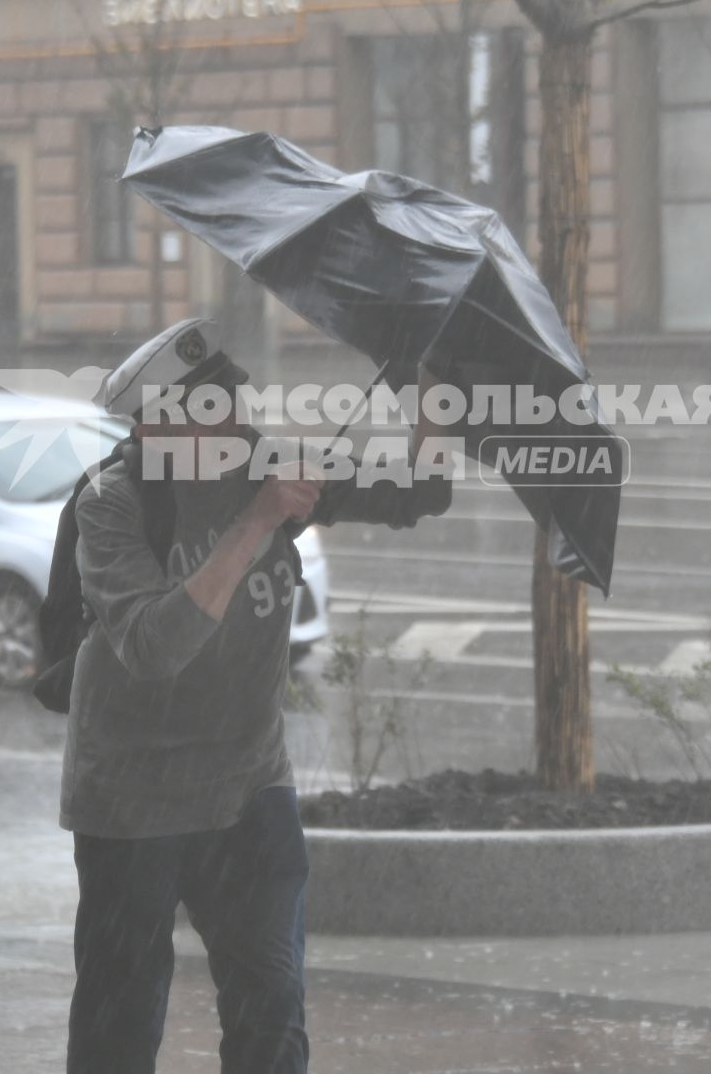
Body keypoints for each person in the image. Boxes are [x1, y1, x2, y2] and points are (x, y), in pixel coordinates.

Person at [64, 317, 451, 1074]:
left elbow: (420, 490)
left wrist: (425, 380)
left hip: (247, 788)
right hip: (132, 799)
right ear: (159, 429)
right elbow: (153, 645)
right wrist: (260, 518)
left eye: (236, 395)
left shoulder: (269, 468)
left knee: (271, 1006)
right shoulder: (114, 503)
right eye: (215, 408)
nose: (240, 415)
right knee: (121, 1022)